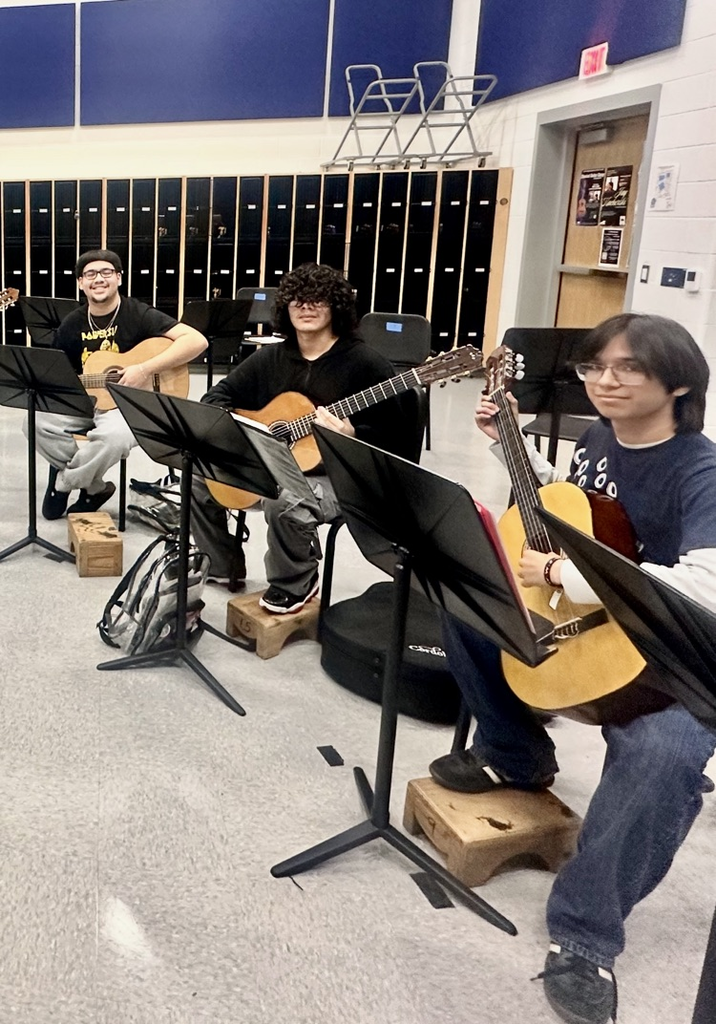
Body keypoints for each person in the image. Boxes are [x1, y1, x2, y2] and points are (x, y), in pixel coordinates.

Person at [428, 313, 716, 1024]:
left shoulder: (700, 470)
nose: (604, 382)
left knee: (664, 755)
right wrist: (512, 451)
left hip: (671, 660)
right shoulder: (597, 437)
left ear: (678, 383)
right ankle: (515, 754)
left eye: (626, 369)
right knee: (469, 608)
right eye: (594, 368)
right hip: (597, 625)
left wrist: (564, 571)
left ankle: (586, 937)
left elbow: (705, 585)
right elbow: (573, 505)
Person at [191, 262, 413, 611]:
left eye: (318, 299)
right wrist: (255, 427)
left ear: (336, 306)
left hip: (342, 475)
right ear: (285, 308)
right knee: (201, 476)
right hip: (272, 464)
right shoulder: (271, 358)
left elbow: (399, 442)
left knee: (285, 501)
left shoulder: (367, 364)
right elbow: (215, 400)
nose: (306, 307)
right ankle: (222, 563)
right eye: (297, 299)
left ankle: (297, 580)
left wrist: (353, 434)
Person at [35, 250, 208, 519]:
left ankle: (63, 483)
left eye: (106, 272)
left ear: (118, 278)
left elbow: (197, 341)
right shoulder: (71, 324)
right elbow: (61, 375)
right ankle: (95, 487)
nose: (98, 279)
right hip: (88, 403)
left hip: (129, 406)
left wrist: (144, 368)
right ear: (81, 283)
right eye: (90, 274)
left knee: (114, 437)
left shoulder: (137, 314)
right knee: (36, 421)